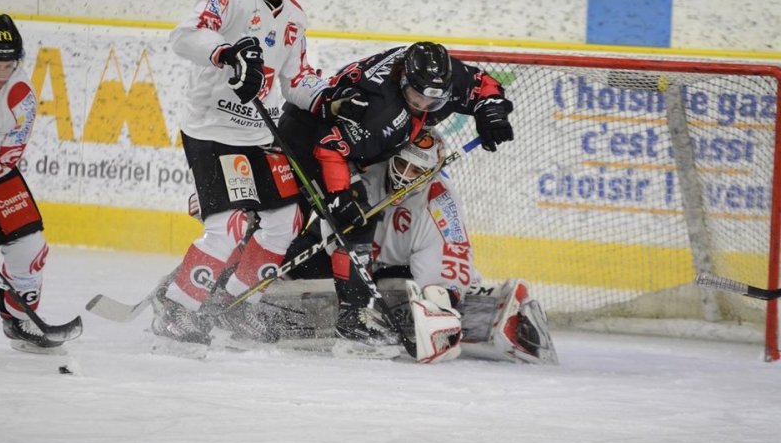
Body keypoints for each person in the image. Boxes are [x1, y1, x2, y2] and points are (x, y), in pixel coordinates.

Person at [151, 0, 367, 349]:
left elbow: (295, 79)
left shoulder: (294, 16)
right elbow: (185, 36)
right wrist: (228, 53)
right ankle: (176, 308)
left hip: (258, 136)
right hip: (212, 131)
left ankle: (237, 302)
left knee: (287, 219)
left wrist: (329, 99)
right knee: (229, 226)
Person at [221, 129, 559, 364]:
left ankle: (506, 313)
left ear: (432, 172)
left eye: (417, 171)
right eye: (401, 164)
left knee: (432, 295)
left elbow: (447, 266)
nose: (405, 176)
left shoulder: (440, 205)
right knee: (286, 259)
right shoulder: (366, 170)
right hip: (345, 255)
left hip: (395, 268)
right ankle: (228, 292)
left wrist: (441, 306)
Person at [275, 41, 516, 352]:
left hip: (344, 139)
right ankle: (353, 316)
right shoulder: (381, 114)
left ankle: (344, 295)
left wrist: (491, 109)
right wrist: (339, 195)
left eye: (433, 98)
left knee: (350, 217)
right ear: (403, 81)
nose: (425, 104)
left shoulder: (437, 77)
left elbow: (481, 83)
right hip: (308, 137)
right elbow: (329, 147)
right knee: (348, 219)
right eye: (417, 97)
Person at [0, 14, 62, 354]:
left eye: (8, 65)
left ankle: (19, 320)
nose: (0, 75)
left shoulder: (18, 95)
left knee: (30, 246)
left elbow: (4, 159)